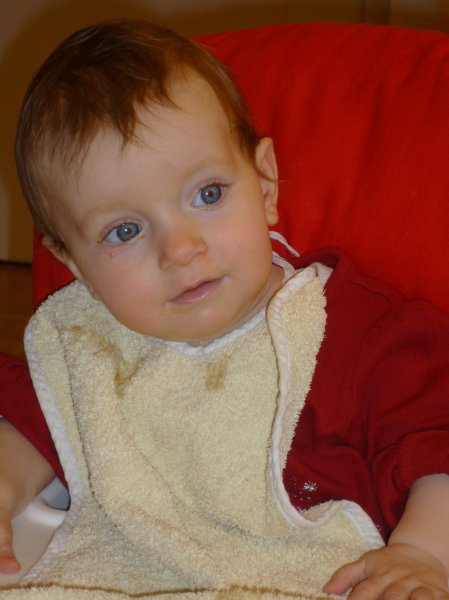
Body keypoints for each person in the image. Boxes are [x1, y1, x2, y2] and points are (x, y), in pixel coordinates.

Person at [1, 18, 449, 598]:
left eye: (208, 194)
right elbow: (40, 425)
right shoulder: (91, 347)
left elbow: (436, 443)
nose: (181, 250)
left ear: (264, 184)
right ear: (73, 262)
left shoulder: (364, 339)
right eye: (125, 230)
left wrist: (424, 552)